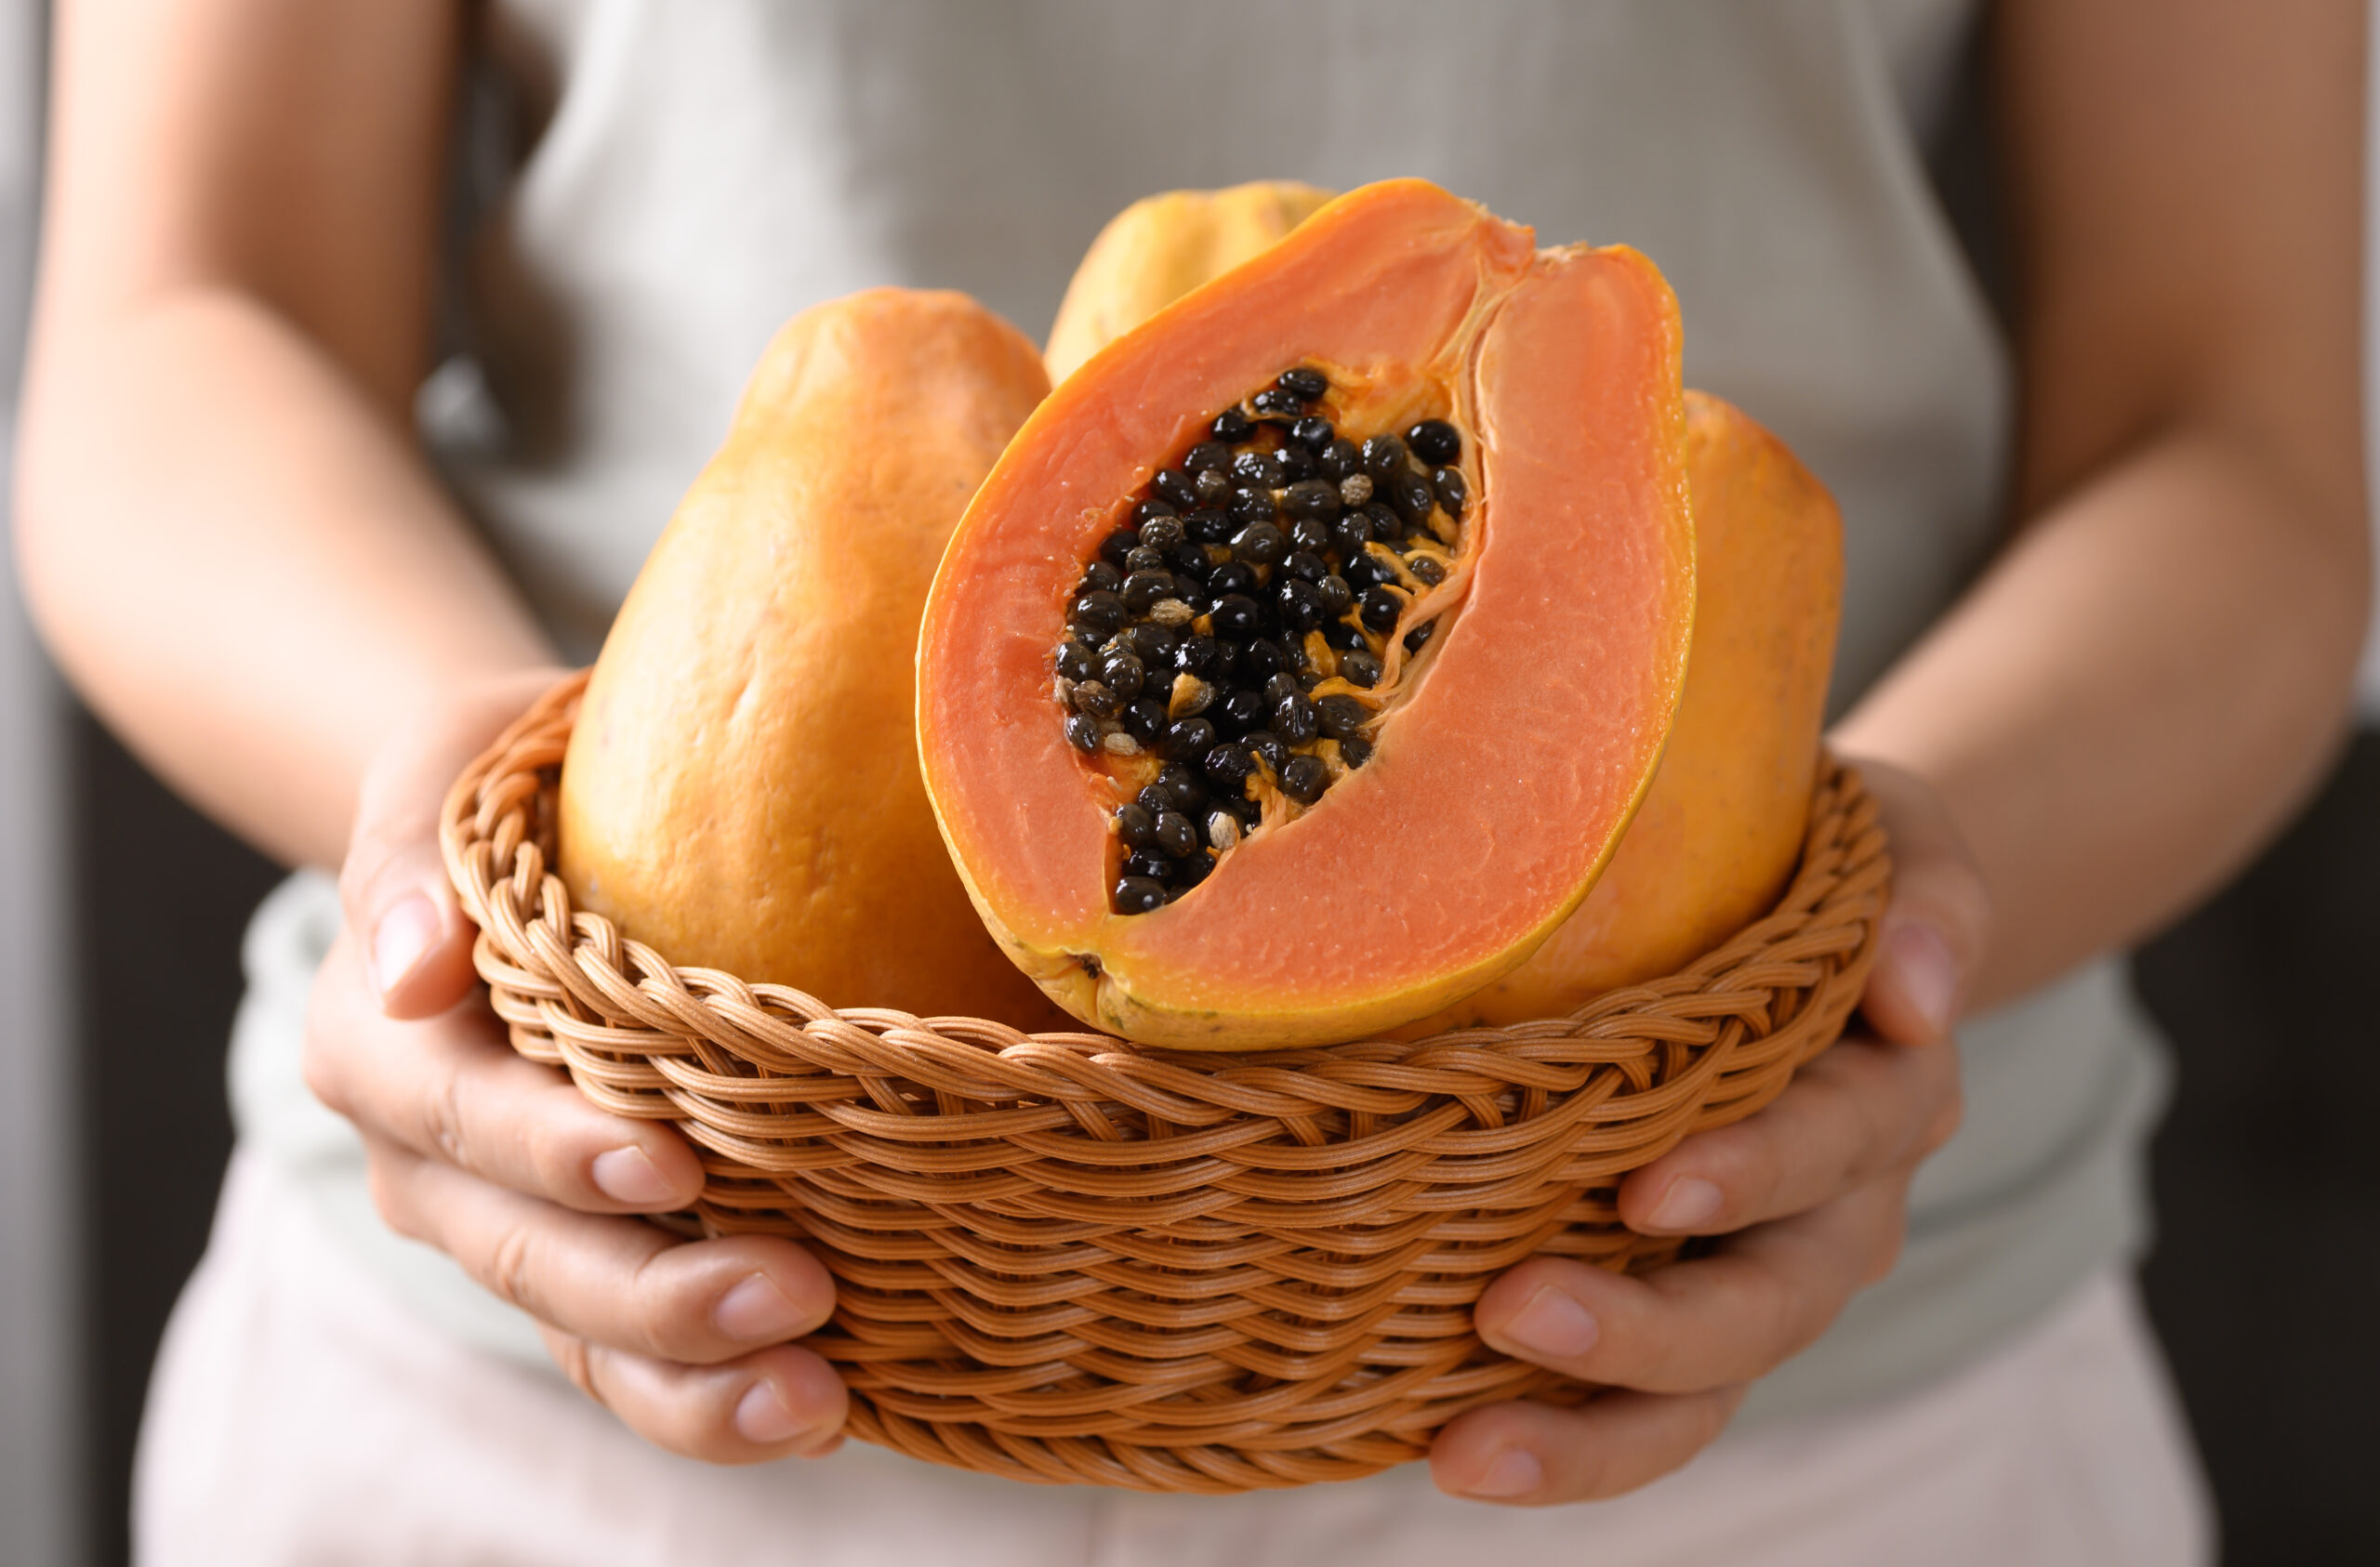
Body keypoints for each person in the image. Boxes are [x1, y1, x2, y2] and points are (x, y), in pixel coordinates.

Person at [15, 1, 2367, 1562]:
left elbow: (2240, 438)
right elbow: (178, 320)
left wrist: (1883, 944)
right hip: (584, 1328)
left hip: (1783, 1375)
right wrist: (442, 825)